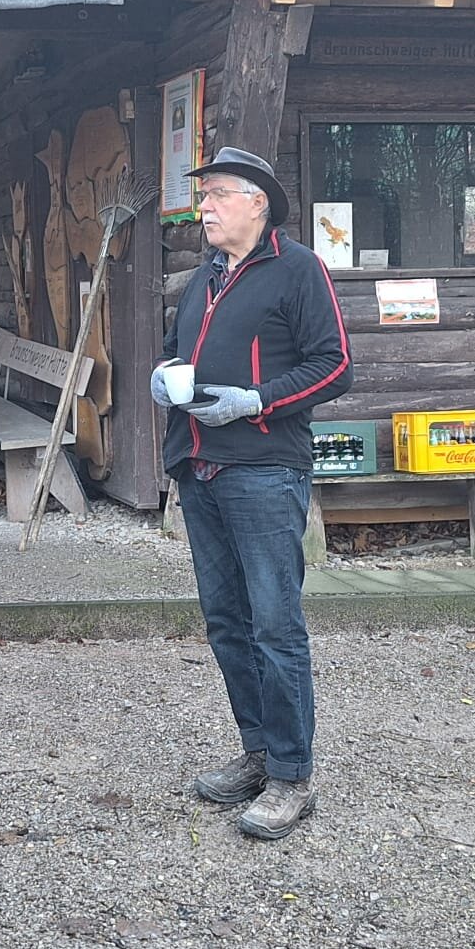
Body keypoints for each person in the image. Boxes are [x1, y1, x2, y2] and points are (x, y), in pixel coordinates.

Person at [152, 145, 353, 840]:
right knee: (227, 623)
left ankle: (293, 779)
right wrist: (165, 376)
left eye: (215, 196)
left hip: (265, 469)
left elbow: (336, 367)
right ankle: (259, 753)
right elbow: (180, 352)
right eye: (202, 196)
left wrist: (255, 401)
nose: (202, 208)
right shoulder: (203, 279)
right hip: (201, 467)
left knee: (275, 625)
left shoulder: (299, 270)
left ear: (257, 202)